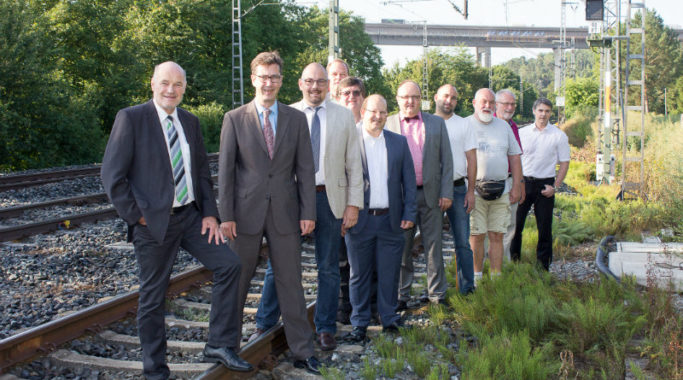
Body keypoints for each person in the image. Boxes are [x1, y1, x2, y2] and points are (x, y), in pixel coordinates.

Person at [101, 61, 252, 379]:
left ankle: (219, 344)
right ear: (153, 84)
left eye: (178, 84)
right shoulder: (131, 118)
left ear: (185, 88)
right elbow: (112, 176)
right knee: (153, 294)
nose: (171, 90)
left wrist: (211, 213)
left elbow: (200, 173)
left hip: (190, 217)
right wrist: (136, 216)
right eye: (165, 83)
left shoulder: (190, 121)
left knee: (229, 264)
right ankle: (155, 369)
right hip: (153, 223)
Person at [217, 51, 321, 374]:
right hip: (244, 215)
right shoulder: (234, 119)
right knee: (237, 283)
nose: (268, 83)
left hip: (287, 214)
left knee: (291, 283)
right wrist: (226, 216)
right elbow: (226, 173)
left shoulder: (295, 118)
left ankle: (303, 350)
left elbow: (305, 170)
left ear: (281, 80)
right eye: (263, 77)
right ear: (253, 79)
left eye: (274, 77)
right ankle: (226, 347)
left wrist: (309, 211)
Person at [252, 62, 363, 351]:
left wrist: (353, 204)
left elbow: (354, 163)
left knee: (327, 267)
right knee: (280, 263)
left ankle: (325, 327)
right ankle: (264, 321)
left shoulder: (344, 117)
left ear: (329, 85)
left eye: (321, 82)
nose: (315, 87)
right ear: (300, 84)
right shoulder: (284, 114)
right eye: (309, 82)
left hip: (330, 199)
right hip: (291, 199)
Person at [344, 94, 417, 342]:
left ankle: (389, 318)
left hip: (391, 220)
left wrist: (409, 213)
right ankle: (359, 323)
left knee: (389, 273)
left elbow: (408, 180)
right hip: (359, 220)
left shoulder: (398, 142)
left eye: (383, 113)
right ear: (363, 111)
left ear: (388, 115)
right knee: (359, 275)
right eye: (373, 111)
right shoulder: (349, 139)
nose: (378, 117)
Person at [385, 80, 453, 308]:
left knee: (433, 246)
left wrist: (446, 192)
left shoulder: (436, 124)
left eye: (414, 97)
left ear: (421, 99)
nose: (409, 101)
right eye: (405, 97)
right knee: (402, 248)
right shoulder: (388, 123)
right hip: (401, 198)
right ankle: (401, 295)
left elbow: (447, 161)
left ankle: (436, 294)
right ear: (397, 99)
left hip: (431, 194)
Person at [467, 88, 523, 279]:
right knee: (476, 236)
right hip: (474, 191)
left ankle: (496, 279)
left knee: (497, 235)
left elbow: (515, 157)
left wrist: (516, 186)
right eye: (484, 101)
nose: (487, 106)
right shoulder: (466, 125)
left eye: (491, 102)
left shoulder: (503, 127)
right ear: (474, 103)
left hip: (501, 190)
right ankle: (476, 279)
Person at [511, 98, 570, 270]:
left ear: (550, 113)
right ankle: (514, 263)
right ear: (534, 111)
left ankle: (543, 267)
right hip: (524, 182)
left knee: (544, 228)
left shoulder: (558, 135)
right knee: (516, 225)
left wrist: (555, 186)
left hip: (545, 185)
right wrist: (516, 183)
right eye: (541, 110)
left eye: (547, 111)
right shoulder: (522, 133)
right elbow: (515, 158)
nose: (543, 114)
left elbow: (564, 162)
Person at [433, 84, 477, 294]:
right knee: (433, 244)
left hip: (459, 188)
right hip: (431, 190)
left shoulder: (464, 124)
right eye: (445, 96)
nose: (449, 100)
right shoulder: (426, 123)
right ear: (436, 98)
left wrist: (471, 190)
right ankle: (436, 290)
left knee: (462, 242)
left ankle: (467, 288)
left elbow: (471, 158)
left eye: (453, 98)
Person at [336, 75, 367, 323]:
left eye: (356, 93)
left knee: (366, 261)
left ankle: (368, 307)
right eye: (346, 93)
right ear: (338, 97)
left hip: (369, 205)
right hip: (340, 204)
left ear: (363, 97)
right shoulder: (334, 125)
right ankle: (344, 306)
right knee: (341, 260)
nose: (351, 97)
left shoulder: (372, 125)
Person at [494, 89, 525, 262]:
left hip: (510, 179)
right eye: (506, 103)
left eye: (512, 104)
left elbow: (517, 157)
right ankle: (484, 265)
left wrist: (519, 184)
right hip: (490, 182)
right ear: (496, 105)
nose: (510, 107)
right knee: (490, 227)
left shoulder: (513, 125)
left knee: (510, 224)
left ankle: (502, 265)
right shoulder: (487, 123)